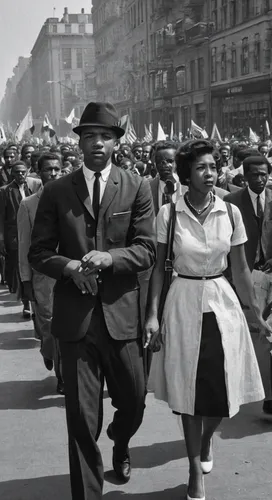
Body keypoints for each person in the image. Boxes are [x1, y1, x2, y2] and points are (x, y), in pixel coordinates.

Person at [28, 102, 156, 500]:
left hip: (122, 316)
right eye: (88, 137)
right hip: (76, 320)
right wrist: (70, 268)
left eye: (104, 136)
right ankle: (88, 492)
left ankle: (120, 439)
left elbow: (148, 249)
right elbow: (39, 253)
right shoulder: (55, 191)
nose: (97, 143)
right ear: (79, 143)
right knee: (81, 419)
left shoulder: (137, 186)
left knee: (134, 402)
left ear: (117, 142)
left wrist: (110, 258)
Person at [145, 139, 267, 500]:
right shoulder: (169, 214)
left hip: (221, 304)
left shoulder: (231, 213)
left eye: (214, 167)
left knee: (223, 389)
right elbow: (157, 270)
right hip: (182, 303)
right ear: (187, 174)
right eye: (201, 168)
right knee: (187, 390)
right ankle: (194, 467)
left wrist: (257, 314)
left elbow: (241, 269)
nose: (210, 174)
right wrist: (152, 316)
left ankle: (206, 438)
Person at [225, 155, 272, 416]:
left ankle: (267, 396)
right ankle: (254, 394)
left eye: (263, 174)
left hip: (268, 280)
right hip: (236, 279)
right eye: (254, 175)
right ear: (245, 176)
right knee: (246, 336)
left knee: (260, 336)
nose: (259, 179)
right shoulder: (230, 202)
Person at [17, 153, 63, 394]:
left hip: (70, 273)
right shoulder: (28, 205)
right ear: (38, 172)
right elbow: (24, 246)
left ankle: (63, 375)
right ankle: (48, 350)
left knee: (68, 326)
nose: (53, 174)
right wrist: (25, 281)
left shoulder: (72, 199)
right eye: (48, 170)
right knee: (49, 326)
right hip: (42, 277)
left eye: (57, 169)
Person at [0, 161, 41, 317]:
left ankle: (36, 302)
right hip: (14, 236)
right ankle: (26, 303)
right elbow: (1, 217)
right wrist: (2, 238)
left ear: (28, 172)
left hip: (34, 234)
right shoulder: (5, 191)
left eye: (23, 172)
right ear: (12, 173)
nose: (20, 175)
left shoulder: (35, 188)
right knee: (21, 269)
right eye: (17, 172)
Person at [149, 140, 181, 215]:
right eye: (160, 161)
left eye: (170, 161)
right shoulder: (147, 188)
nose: (165, 165)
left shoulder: (188, 188)